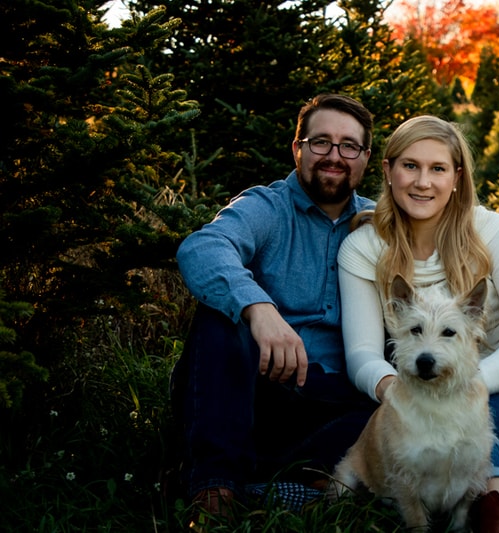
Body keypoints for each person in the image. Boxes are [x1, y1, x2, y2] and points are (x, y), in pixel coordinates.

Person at [337, 116, 499, 531]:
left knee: (454, 426)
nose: (423, 181)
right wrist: (392, 388)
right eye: (410, 166)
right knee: (439, 440)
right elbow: (362, 353)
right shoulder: (364, 248)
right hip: (428, 392)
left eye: (438, 168)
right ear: (387, 171)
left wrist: (469, 383)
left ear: (457, 177)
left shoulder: (492, 230)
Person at [171, 94, 378, 526]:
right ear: (297, 148)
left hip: (340, 403)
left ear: (365, 157)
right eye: (321, 142)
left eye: (348, 146)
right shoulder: (267, 207)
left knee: (391, 409)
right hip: (260, 392)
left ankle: (285, 480)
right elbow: (203, 247)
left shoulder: (380, 224)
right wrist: (258, 308)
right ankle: (215, 489)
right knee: (220, 316)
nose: (334, 156)